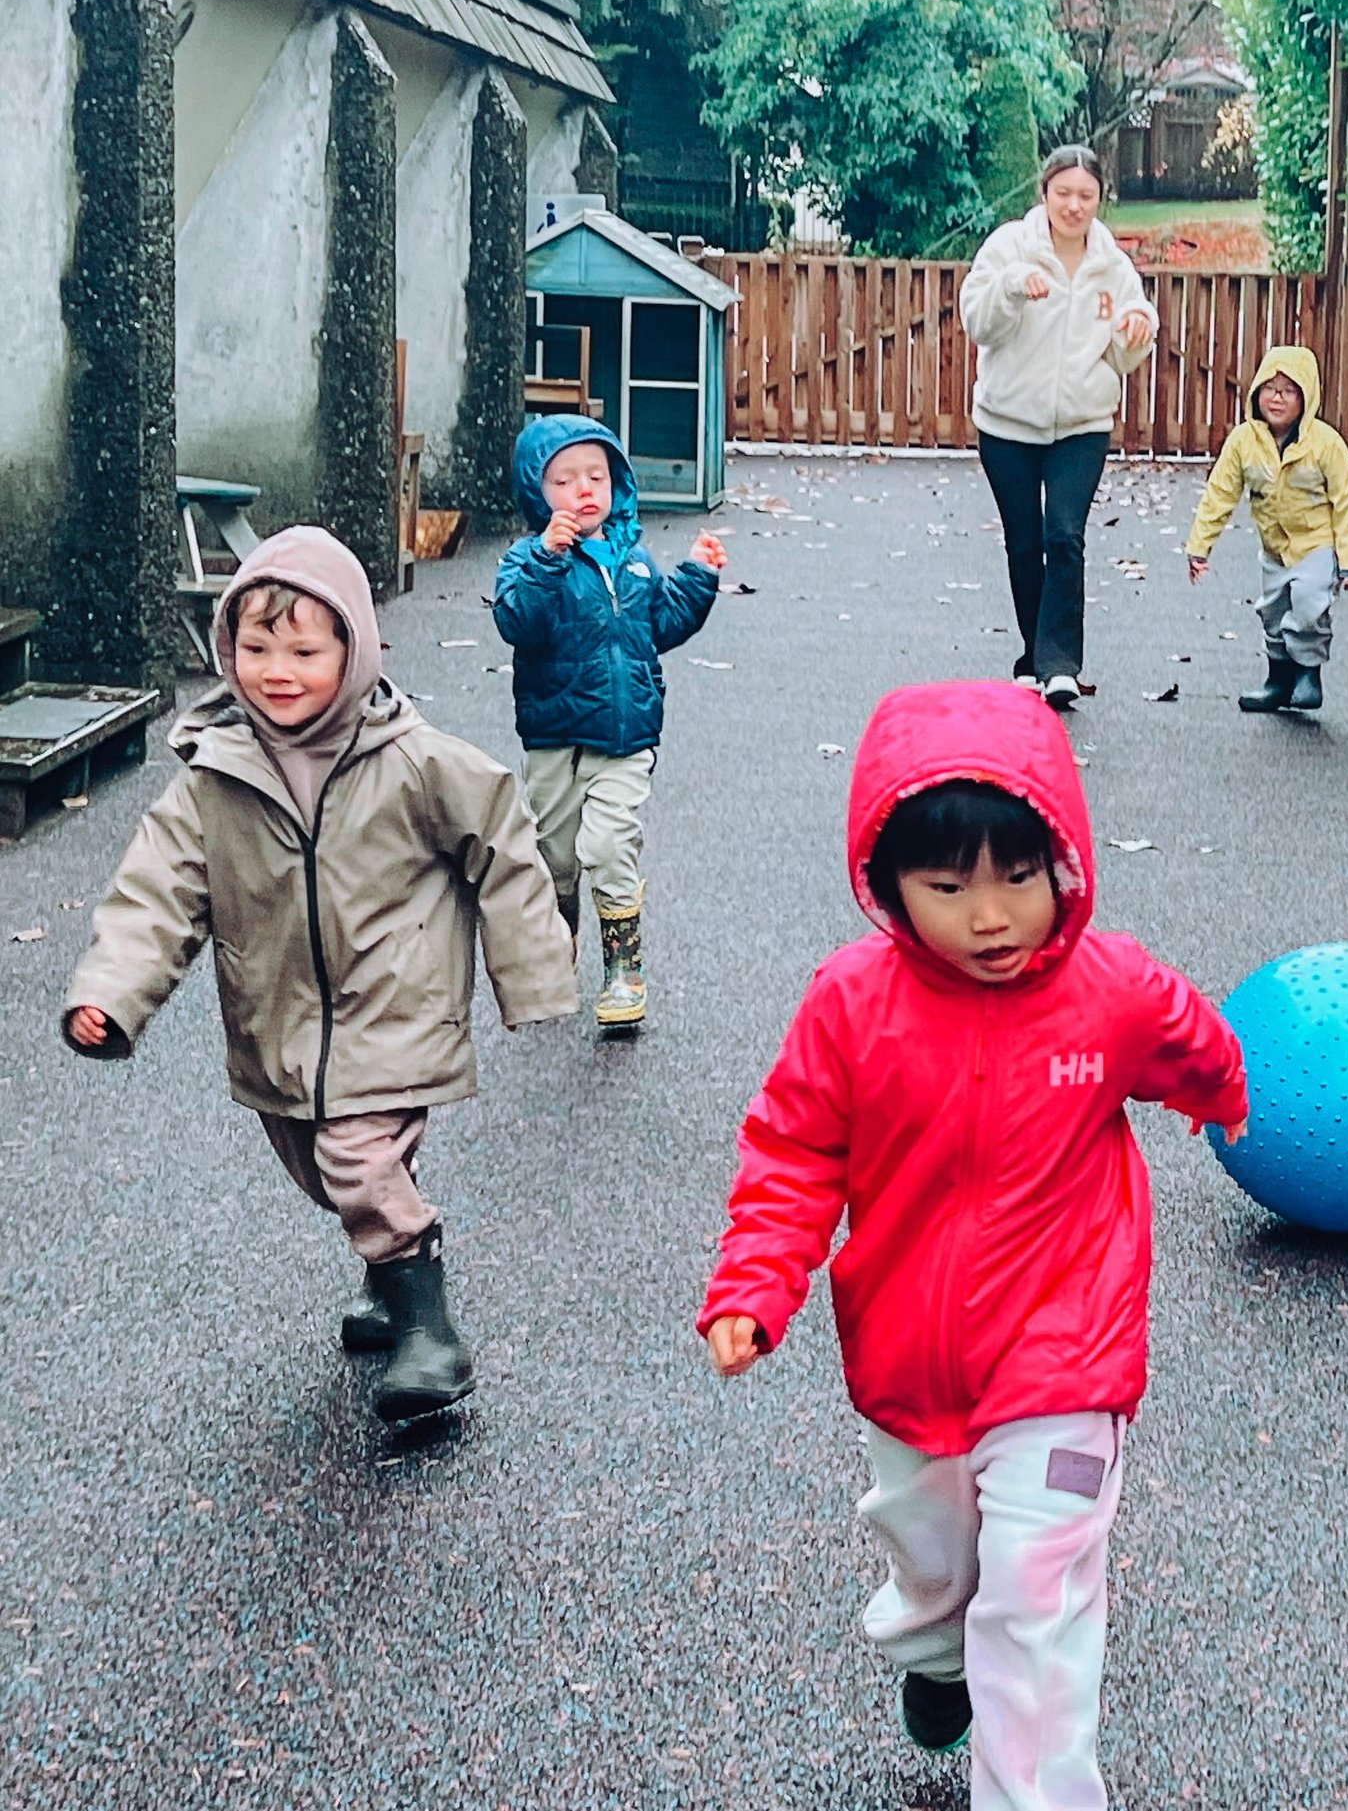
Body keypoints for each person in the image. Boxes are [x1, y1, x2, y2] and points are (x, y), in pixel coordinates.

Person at [698, 681, 1245, 1809]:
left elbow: (1191, 1036)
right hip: (905, 1357)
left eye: (1018, 879)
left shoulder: (1112, 989)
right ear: (890, 885)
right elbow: (792, 1150)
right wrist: (756, 1281)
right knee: (939, 1565)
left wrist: (1222, 1092)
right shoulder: (850, 1004)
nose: (990, 917)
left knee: (1038, 1590)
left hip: (1063, 1352)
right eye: (947, 888)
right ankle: (937, 1654)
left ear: (1064, 864)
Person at [61, 527, 576, 1421]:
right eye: (256, 648)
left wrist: (530, 972)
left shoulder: (413, 759)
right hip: (279, 1024)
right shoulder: (213, 778)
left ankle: (429, 1324)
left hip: (394, 1010)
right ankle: (388, 1282)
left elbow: (502, 841)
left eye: (305, 648)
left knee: (355, 1155)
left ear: (355, 647)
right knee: (322, 1165)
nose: (278, 669)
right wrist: (110, 992)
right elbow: (155, 893)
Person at [492, 414, 727, 1034]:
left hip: (624, 737)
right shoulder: (526, 561)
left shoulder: (634, 560)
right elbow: (518, 622)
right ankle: (558, 929)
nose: (584, 490)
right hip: (554, 739)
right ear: (536, 494)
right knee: (556, 855)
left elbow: (661, 623)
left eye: (596, 475)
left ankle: (624, 968)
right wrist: (547, 556)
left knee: (608, 843)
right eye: (564, 480)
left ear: (617, 483)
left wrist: (698, 578)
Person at [960, 145, 1158, 709]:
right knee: (1025, 543)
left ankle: (1061, 664)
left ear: (1100, 199)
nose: (1074, 205)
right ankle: (1033, 657)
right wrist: (1013, 287)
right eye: (1063, 193)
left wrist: (1136, 330)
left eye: (1086, 195)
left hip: (1082, 423)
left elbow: (1124, 350)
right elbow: (979, 323)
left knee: (1064, 536)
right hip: (1007, 424)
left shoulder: (1113, 266)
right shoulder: (1008, 247)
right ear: (1044, 193)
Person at [1184, 343, 1348, 713]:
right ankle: (1278, 680)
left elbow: (1347, 500)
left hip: (1317, 543)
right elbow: (1220, 493)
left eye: (1288, 390)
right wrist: (1199, 546)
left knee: (1309, 603)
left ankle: (1308, 674)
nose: (1277, 398)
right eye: (1269, 388)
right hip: (1274, 547)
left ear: (1306, 397)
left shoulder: (1325, 444)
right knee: (1273, 610)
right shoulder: (1244, 441)